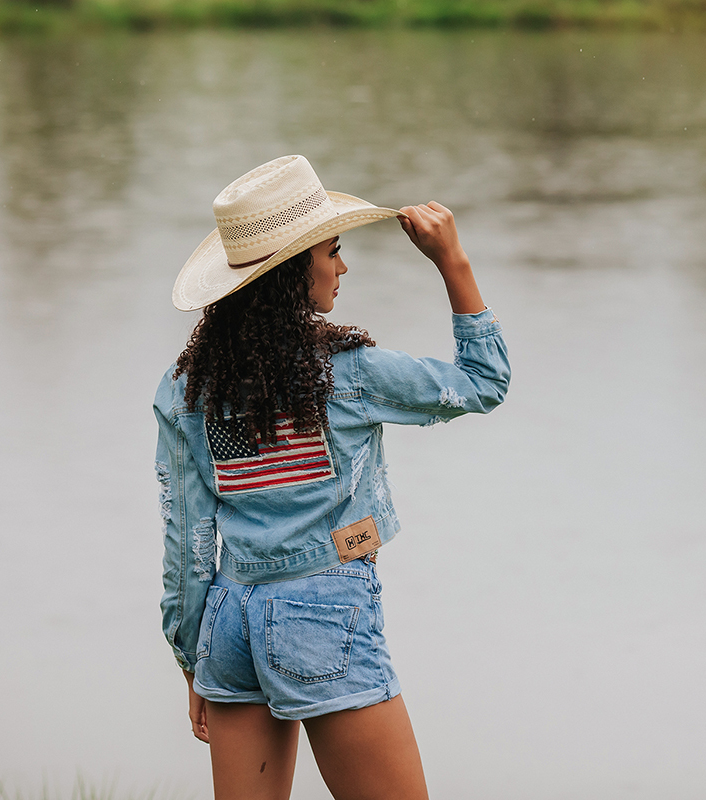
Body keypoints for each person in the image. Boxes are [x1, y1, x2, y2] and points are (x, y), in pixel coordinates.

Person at [153, 155, 510, 800]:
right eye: (333, 253)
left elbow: (188, 542)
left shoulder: (187, 389)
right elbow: (483, 383)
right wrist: (452, 263)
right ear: (293, 274)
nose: (342, 268)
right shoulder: (346, 374)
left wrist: (192, 658)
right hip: (320, 612)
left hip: (227, 620)